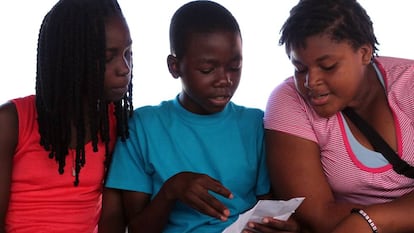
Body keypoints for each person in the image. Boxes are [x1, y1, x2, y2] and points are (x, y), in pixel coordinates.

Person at [99, 1, 299, 233]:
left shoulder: (255, 124)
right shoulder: (143, 127)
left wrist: (284, 227)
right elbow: (136, 229)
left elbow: (269, 208)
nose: (225, 80)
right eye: (207, 69)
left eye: (234, 67)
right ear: (175, 67)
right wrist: (171, 191)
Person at [264, 0, 414, 232]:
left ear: (364, 53)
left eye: (328, 66)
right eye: (300, 68)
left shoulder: (410, 84)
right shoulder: (289, 102)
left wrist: (367, 221)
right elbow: (319, 215)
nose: (311, 82)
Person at [0, 0, 133, 232]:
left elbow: (112, 218)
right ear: (71, 59)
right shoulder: (11, 122)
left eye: (127, 53)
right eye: (108, 57)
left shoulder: (116, 124)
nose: (124, 68)